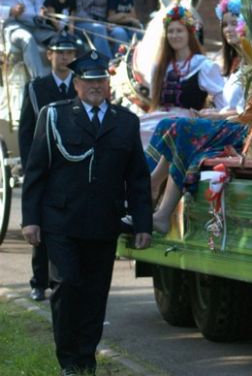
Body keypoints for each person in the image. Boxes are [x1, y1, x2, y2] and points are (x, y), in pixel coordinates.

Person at [20, 50, 152, 376]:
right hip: (61, 221)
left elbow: (137, 179)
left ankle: (86, 357)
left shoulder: (125, 122)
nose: (96, 86)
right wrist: (31, 220)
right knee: (66, 285)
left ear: (108, 84)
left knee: (95, 293)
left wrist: (142, 223)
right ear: (77, 84)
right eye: (89, 81)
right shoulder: (55, 116)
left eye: (101, 81)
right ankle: (68, 361)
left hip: (103, 222)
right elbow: (36, 172)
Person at [146, 0, 252, 234]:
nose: (228, 29)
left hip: (241, 129)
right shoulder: (235, 64)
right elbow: (231, 105)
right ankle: (150, 194)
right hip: (227, 121)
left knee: (180, 127)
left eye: (234, 23)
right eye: (224, 24)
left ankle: (154, 190)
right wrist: (212, 112)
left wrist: (216, 116)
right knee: (167, 124)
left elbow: (250, 111)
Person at [18, 31, 78, 302]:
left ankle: (70, 279)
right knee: (39, 225)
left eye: (69, 52)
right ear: (49, 55)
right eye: (59, 52)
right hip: (46, 166)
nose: (64, 57)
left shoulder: (81, 85)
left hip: (74, 167)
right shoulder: (36, 87)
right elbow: (26, 131)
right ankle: (39, 281)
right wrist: (31, 166)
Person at [149, 3, 226, 112]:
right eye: (170, 31)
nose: (174, 36)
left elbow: (223, 103)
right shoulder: (159, 67)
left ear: (189, 34)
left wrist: (211, 114)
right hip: (158, 121)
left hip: (187, 125)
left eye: (179, 30)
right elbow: (154, 104)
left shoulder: (203, 66)